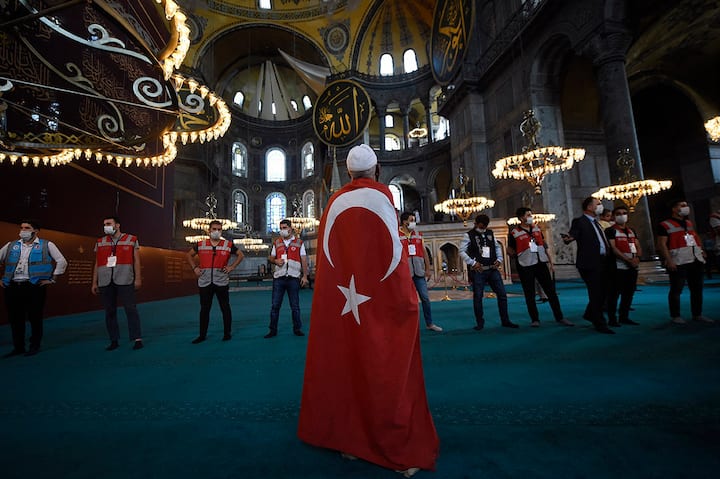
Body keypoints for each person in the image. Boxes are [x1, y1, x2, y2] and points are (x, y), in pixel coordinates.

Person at [298, 144, 439, 477]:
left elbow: (330, 261)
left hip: (343, 303)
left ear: (348, 174)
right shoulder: (381, 198)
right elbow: (394, 254)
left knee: (349, 363)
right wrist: (406, 300)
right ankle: (392, 443)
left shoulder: (333, 202)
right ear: (377, 171)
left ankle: (349, 438)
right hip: (379, 300)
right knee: (384, 364)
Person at [1, 220, 67, 357]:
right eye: (21, 228)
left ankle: (34, 345)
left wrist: (53, 279)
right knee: (15, 319)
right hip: (13, 286)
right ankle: (18, 347)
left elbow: (61, 261)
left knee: (35, 317)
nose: (23, 230)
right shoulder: (11, 245)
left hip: (34, 286)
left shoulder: (46, 245)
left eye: (27, 228)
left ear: (35, 231)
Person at [507, 207, 573, 327]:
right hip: (525, 265)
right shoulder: (514, 233)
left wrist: (550, 261)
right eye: (528, 215)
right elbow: (510, 249)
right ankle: (535, 319)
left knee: (551, 292)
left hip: (540, 263)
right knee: (530, 293)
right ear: (521, 218)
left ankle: (560, 317)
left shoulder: (536, 229)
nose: (531, 217)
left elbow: (543, 244)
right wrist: (514, 255)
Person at [562, 197, 615, 334]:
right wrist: (568, 238)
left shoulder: (597, 223)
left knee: (604, 291)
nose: (601, 206)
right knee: (596, 292)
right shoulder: (580, 221)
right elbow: (573, 235)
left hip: (603, 261)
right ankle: (600, 323)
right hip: (589, 263)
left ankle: (589, 313)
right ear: (589, 207)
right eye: (598, 204)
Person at [187, 220, 244, 343]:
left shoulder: (227, 244)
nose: (216, 232)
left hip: (221, 281)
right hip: (205, 281)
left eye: (219, 229)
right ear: (209, 230)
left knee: (225, 307)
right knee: (204, 309)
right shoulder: (201, 244)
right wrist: (194, 268)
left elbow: (240, 255)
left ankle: (227, 333)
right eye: (214, 229)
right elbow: (189, 255)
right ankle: (202, 335)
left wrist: (231, 267)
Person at [91, 216, 144, 350]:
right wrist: (94, 282)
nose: (106, 226)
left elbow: (137, 260)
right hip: (105, 280)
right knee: (109, 311)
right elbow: (97, 263)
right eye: (104, 224)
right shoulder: (100, 241)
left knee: (130, 309)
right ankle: (114, 339)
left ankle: (137, 338)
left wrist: (138, 278)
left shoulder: (131, 239)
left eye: (108, 223)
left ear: (118, 225)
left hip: (125, 278)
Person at [656, 200, 712, 324]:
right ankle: (675, 315)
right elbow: (661, 244)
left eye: (686, 205)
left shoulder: (688, 222)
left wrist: (701, 250)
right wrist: (669, 260)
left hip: (695, 258)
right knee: (677, 289)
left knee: (697, 288)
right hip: (678, 260)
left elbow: (695, 237)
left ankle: (697, 314)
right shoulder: (665, 225)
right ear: (674, 209)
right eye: (682, 206)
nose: (686, 208)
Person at [460, 214, 519, 330]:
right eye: (481, 226)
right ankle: (480, 323)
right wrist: (472, 263)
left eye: (485, 227)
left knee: (502, 294)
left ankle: (505, 320)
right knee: (478, 297)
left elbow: (497, 247)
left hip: (492, 269)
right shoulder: (468, 235)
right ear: (476, 224)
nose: (483, 229)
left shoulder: (490, 233)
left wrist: (499, 259)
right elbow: (461, 251)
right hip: (479, 270)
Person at [263, 219, 309, 338]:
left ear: (290, 228)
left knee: (295, 306)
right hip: (279, 278)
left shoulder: (299, 242)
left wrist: (304, 276)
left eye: (284, 227)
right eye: (281, 228)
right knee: (275, 306)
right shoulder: (277, 242)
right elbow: (271, 258)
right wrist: (275, 260)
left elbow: (304, 260)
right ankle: (272, 330)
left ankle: (297, 328)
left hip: (293, 278)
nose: (282, 230)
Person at [399, 212, 442, 332]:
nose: (413, 223)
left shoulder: (418, 235)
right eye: (411, 220)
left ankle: (430, 323)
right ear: (404, 222)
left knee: (425, 298)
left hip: (419, 273)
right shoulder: (397, 235)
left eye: (414, 220)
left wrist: (428, 269)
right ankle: (406, 325)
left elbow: (424, 253)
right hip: (405, 273)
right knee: (406, 300)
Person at [605, 205, 642, 327]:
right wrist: (627, 259)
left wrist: (637, 258)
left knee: (629, 293)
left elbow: (637, 245)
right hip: (617, 267)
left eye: (624, 213)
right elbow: (613, 248)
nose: (622, 215)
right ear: (614, 217)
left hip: (632, 266)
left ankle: (624, 316)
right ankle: (612, 318)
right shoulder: (610, 230)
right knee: (614, 294)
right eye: (619, 213)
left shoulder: (631, 231)